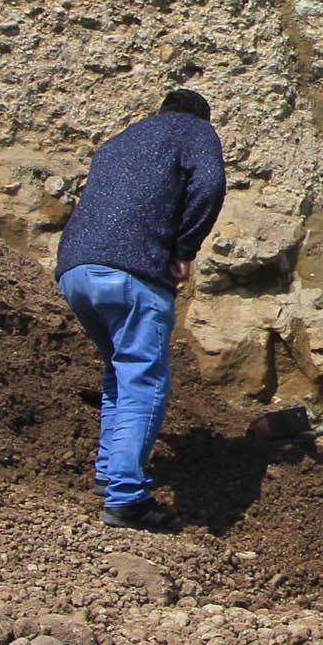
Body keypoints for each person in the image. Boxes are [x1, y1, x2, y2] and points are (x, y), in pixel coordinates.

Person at [54, 86, 226, 529]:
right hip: (132, 274)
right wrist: (184, 247)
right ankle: (127, 497)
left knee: (118, 369)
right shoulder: (194, 130)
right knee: (143, 379)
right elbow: (209, 183)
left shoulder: (118, 142)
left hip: (75, 271)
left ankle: (108, 472)